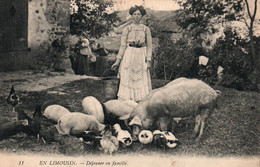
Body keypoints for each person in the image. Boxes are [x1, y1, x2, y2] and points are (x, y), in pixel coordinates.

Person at [111, 5, 152, 102]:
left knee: (141, 78)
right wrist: (117, 61)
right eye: (134, 14)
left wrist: (148, 59)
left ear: (142, 16)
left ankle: (140, 101)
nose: (137, 16)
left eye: (139, 14)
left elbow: (149, 46)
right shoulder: (127, 28)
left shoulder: (146, 29)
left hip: (141, 54)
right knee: (127, 77)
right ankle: (126, 101)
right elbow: (123, 46)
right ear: (131, 16)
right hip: (129, 54)